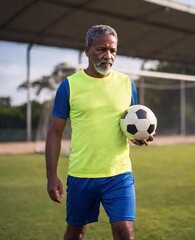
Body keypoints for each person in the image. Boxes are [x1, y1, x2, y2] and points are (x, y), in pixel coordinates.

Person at [45, 24, 153, 240]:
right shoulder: (69, 86)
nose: (108, 56)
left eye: (113, 50)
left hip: (119, 174)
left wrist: (138, 138)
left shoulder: (126, 83)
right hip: (82, 175)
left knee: (125, 233)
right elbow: (55, 133)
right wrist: (51, 176)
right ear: (87, 50)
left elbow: (130, 122)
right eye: (101, 49)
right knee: (76, 232)